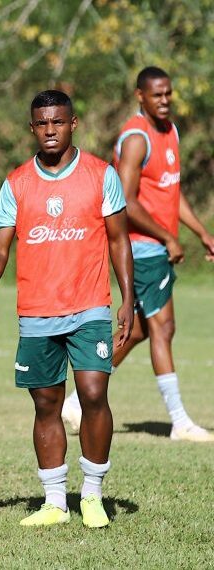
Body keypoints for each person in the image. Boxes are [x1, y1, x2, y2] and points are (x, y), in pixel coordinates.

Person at [0, 90, 134, 528]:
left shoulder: (102, 175)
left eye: (57, 122)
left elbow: (119, 241)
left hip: (90, 307)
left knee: (95, 394)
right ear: (32, 127)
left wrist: (127, 299)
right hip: (38, 311)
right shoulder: (17, 182)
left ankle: (94, 495)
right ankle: (55, 502)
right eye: (42, 124)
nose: (50, 131)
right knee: (46, 403)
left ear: (73, 123)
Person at [62, 67, 214, 442]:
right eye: (156, 95)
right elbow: (125, 202)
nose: (164, 100)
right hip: (142, 248)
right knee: (165, 327)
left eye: (168, 94)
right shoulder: (136, 138)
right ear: (140, 96)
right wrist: (167, 237)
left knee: (142, 329)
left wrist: (201, 233)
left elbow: (170, 193)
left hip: (159, 246)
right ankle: (179, 422)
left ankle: (76, 403)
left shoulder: (171, 132)